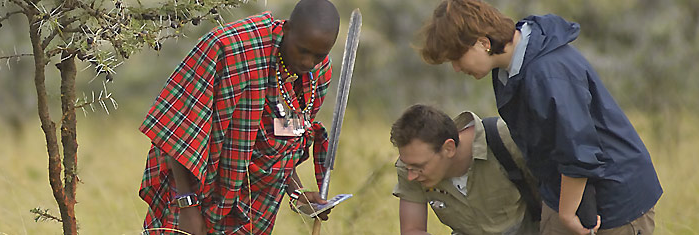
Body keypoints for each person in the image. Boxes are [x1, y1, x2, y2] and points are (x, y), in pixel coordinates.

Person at [414, 0, 663, 234]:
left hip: (615, 198)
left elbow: (578, 152)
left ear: (483, 43)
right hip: (567, 193)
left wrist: (566, 214)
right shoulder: (509, 70)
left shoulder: (547, 73)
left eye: (457, 59)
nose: (457, 68)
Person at [137, 0, 341, 234]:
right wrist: (187, 206)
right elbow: (177, 128)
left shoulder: (318, 74)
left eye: (318, 56)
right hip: (196, 196)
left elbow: (284, 144)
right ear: (286, 29)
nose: (308, 62)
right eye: (303, 51)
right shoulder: (230, 49)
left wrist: (298, 194)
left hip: (253, 214)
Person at [391, 104, 540, 235]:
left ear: (448, 148)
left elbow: (555, 192)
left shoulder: (505, 139)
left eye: (419, 167)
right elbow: (412, 230)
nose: (411, 176)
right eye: (407, 167)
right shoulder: (411, 166)